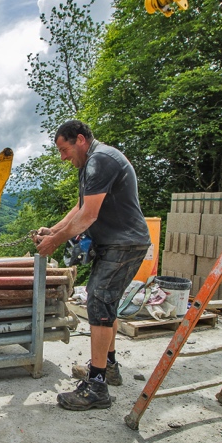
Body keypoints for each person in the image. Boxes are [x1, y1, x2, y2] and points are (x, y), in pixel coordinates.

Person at [34, 120, 151, 410]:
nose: (63, 157)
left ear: (81, 140)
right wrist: (54, 230)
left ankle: (96, 387)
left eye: (64, 149)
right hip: (117, 243)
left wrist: (55, 242)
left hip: (123, 244)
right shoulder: (91, 164)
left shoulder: (101, 161)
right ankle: (108, 367)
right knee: (105, 304)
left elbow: (88, 215)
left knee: (98, 302)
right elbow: (79, 207)